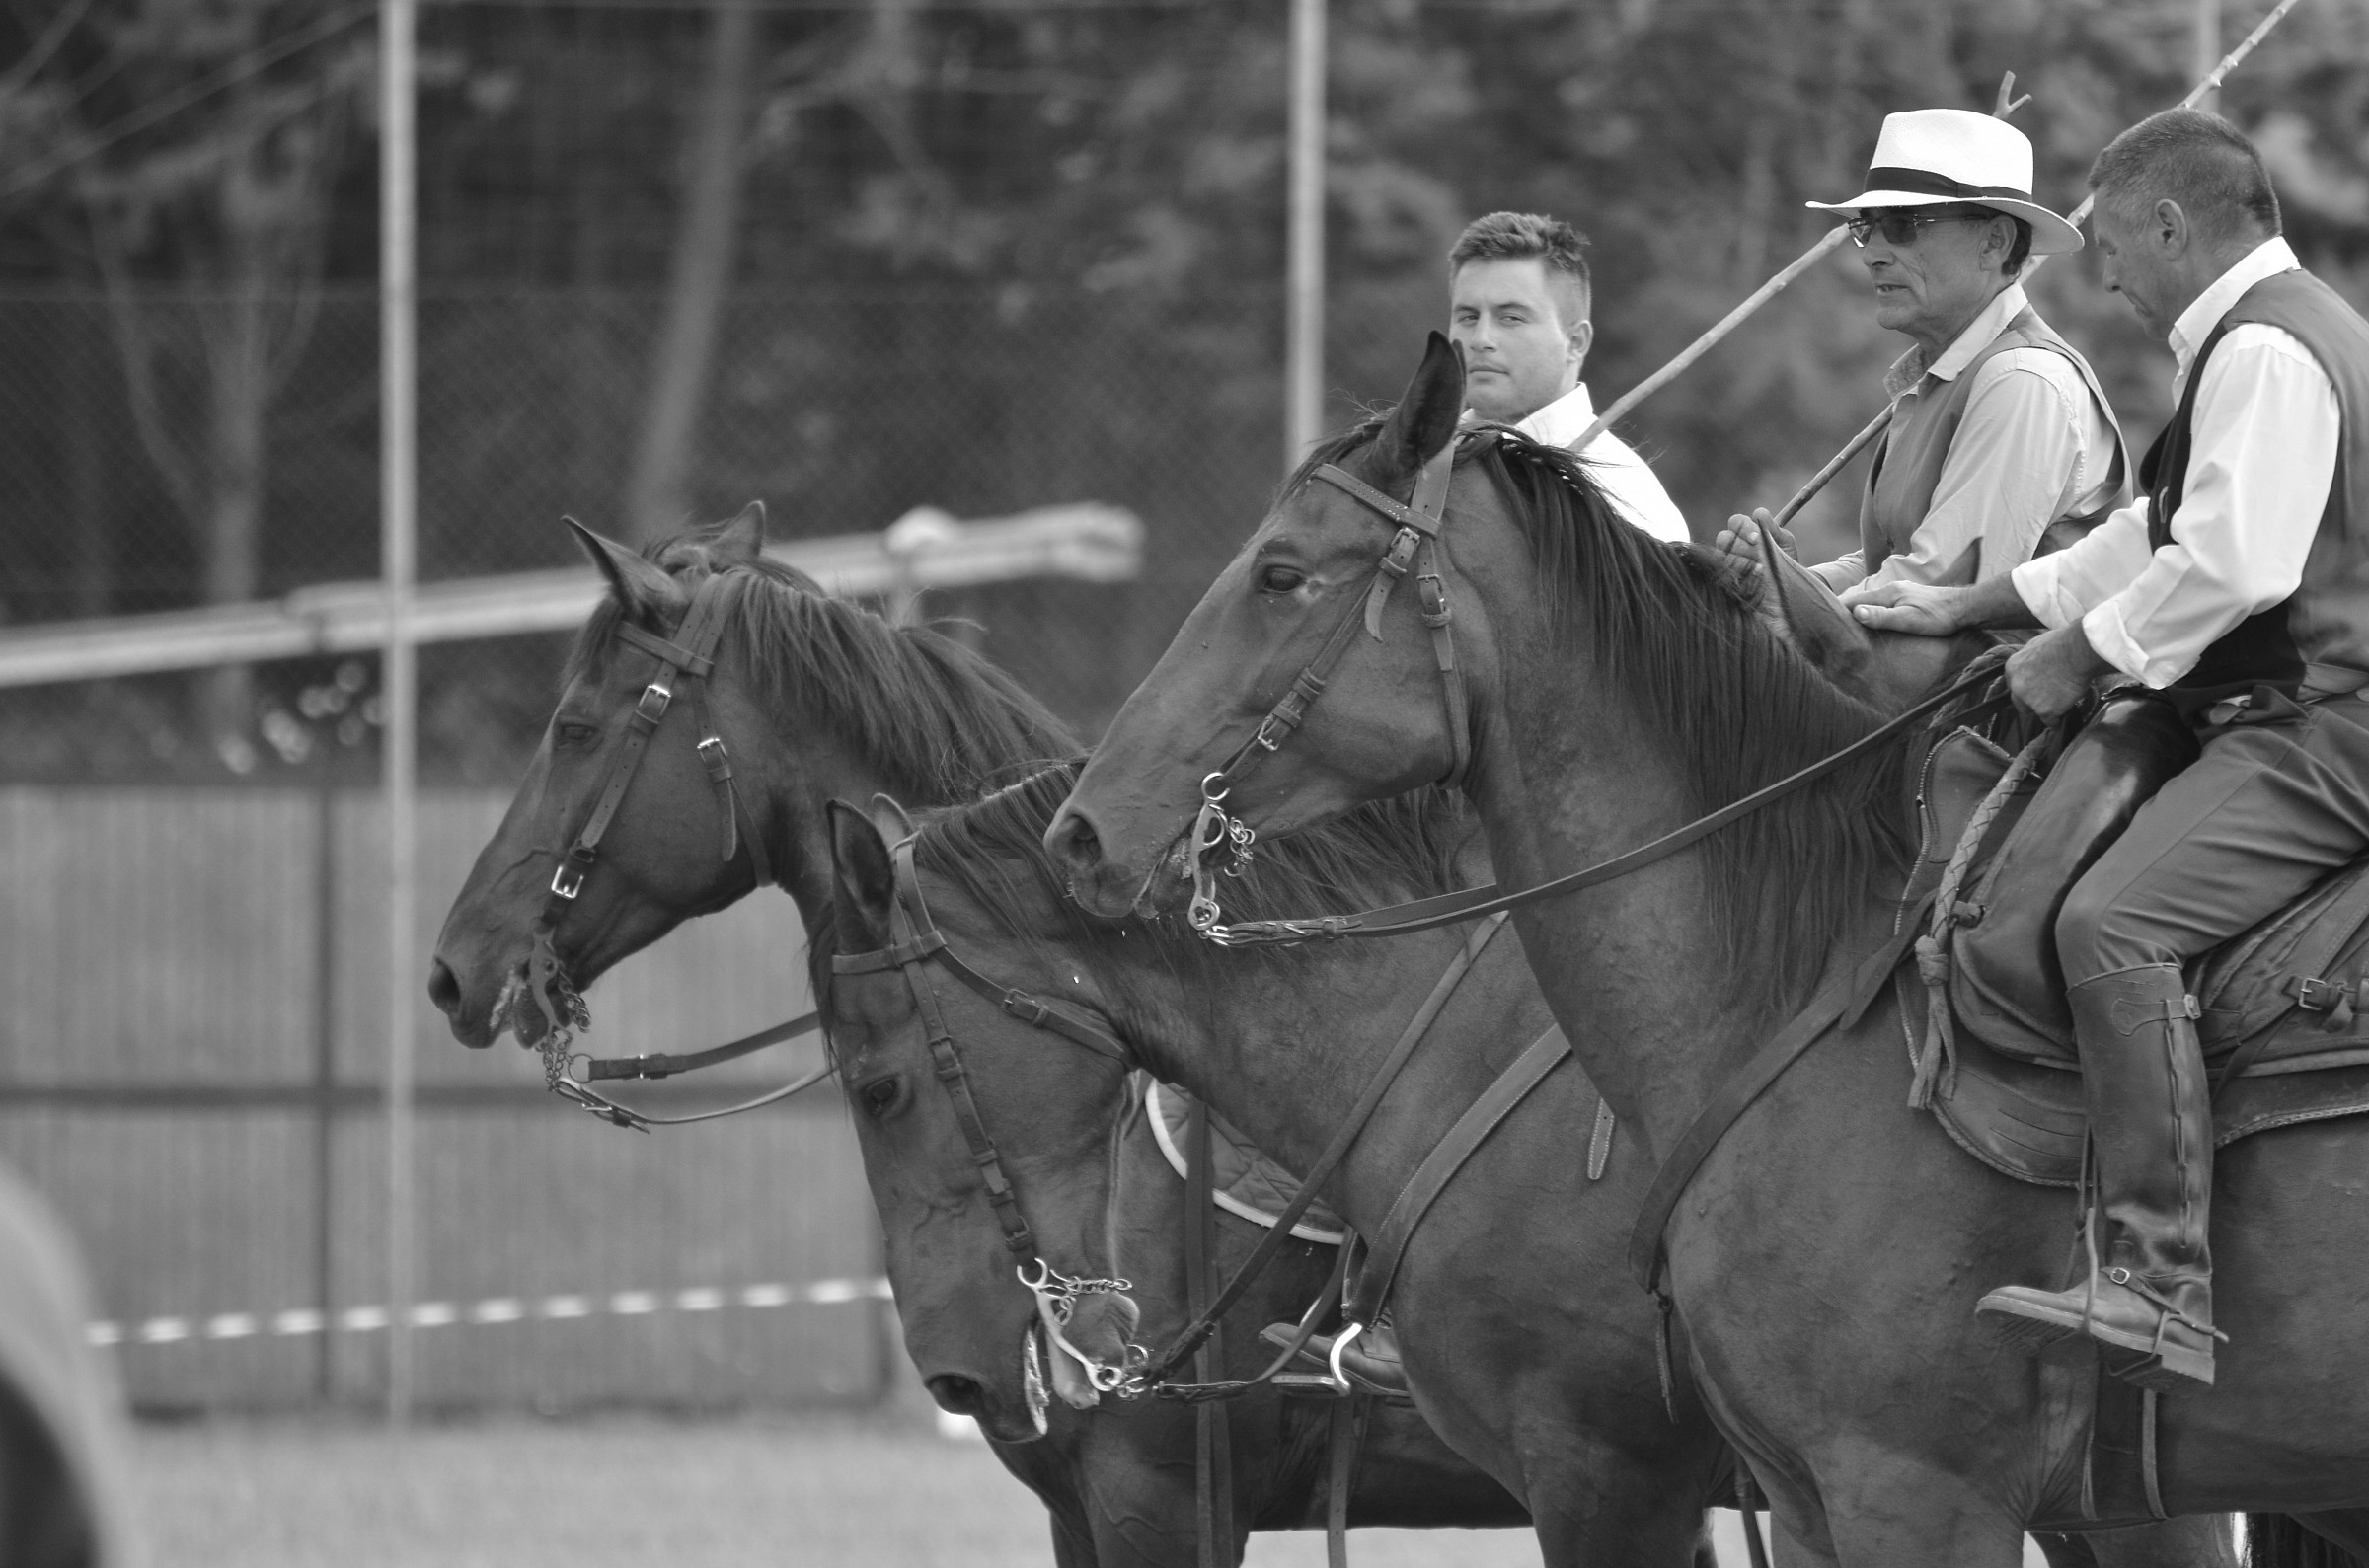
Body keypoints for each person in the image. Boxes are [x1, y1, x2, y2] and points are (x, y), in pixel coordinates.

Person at [1851, 109, 2369, 1390]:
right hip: (2289, 709)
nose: (2111, 278)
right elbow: (2154, 533)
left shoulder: (2264, 350)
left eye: (2118, 248)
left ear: (2172, 225)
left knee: (2113, 926)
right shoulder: (2277, 332)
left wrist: (2076, 654)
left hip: (2323, 727)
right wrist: (1974, 605)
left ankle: (2159, 1281)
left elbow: (2234, 565)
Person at [1717, 109, 2126, 598]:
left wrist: (1793, 600)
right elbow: (1898, 564)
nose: (1871, 254)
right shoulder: (1944, 377)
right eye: (1867, 227)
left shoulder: (2021, 380)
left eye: (1903, 225)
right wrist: (1787, 583)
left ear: (1995, 242)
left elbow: (1935, 590)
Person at [1447, 212, 1691, 544]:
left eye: (1511, 317)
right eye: (1468, 316)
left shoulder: (1624, 500)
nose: (1480, 339)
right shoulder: (1419, 464)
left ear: (1576, 342)